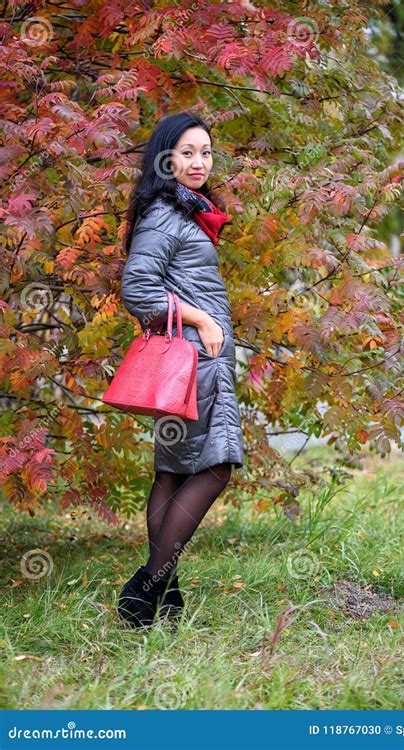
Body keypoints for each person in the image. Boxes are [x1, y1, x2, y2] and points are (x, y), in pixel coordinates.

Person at [116, 111, 245, 629]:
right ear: (166, 158)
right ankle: (147, 587)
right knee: (216, 465)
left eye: (206, 153)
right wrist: (200, 319)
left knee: (174, 470)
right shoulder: (167, 215)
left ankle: (162, 595)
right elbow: (137, 289)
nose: (199, 162)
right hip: (195, 359)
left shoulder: (181, 210)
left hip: (194, 359)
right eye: (187, 153)